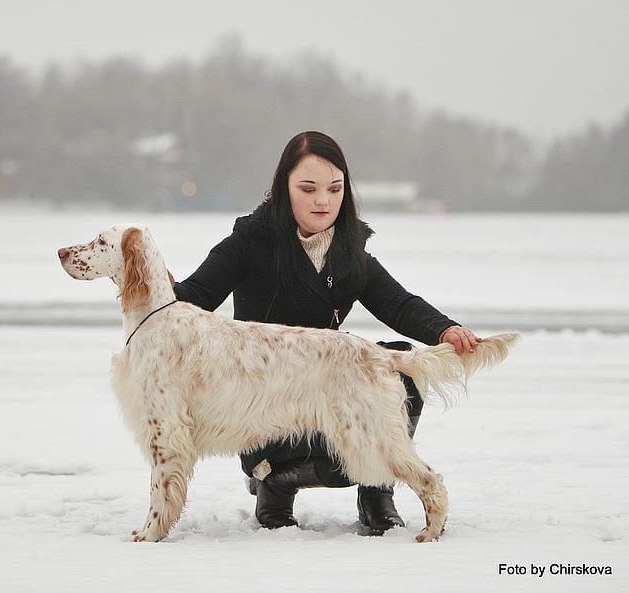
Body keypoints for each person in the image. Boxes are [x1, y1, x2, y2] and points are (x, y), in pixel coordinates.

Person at [173, 131, 482, 534]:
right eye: (309, 188)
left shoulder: (350, 249)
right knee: (343, 461)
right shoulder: (249, 242)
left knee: (399, 369)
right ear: (284, 189)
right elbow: (190, 301)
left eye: (335, 189)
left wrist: (446, 330)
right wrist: (148, 285)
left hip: (327, 394)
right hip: (263, 407)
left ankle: (377, 493)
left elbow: (399, 304)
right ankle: (273, 485)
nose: (323, 201)